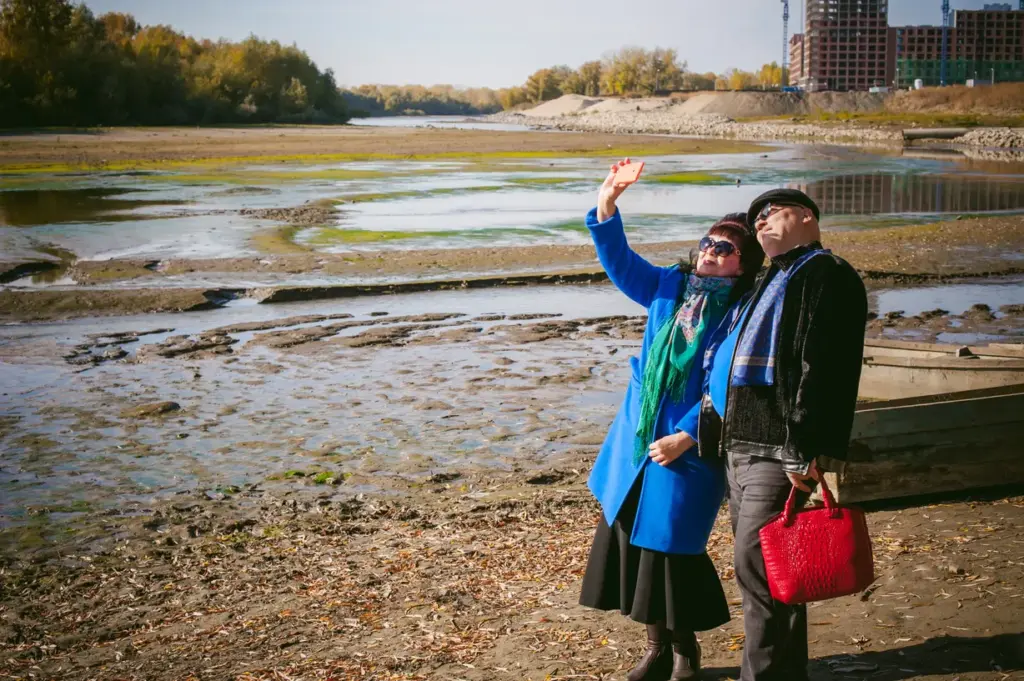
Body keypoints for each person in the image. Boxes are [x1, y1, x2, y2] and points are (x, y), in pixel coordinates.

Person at [579, 159, 764, 681]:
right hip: (636, 441)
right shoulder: (670, 287)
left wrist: (687, 435)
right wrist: (609, 199)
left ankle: (684, 654)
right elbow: (618, 259)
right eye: (708, 241)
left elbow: (727, 383)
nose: (710, 250)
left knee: (671, 546)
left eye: (725, 248)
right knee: (635, 540)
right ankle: (657, 648)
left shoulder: (743, 313)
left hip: (691, 444)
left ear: (741, 263)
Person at [699, 188, 867, 681]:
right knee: (774, 570)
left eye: (773, 213)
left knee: (758, 569)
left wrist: (806, 448)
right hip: (742, 444)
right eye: (757, 220)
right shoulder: (773, 278)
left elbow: (826, 367)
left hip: (780, 447)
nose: (762, 223)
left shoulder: (826, 274)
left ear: (808, 217)